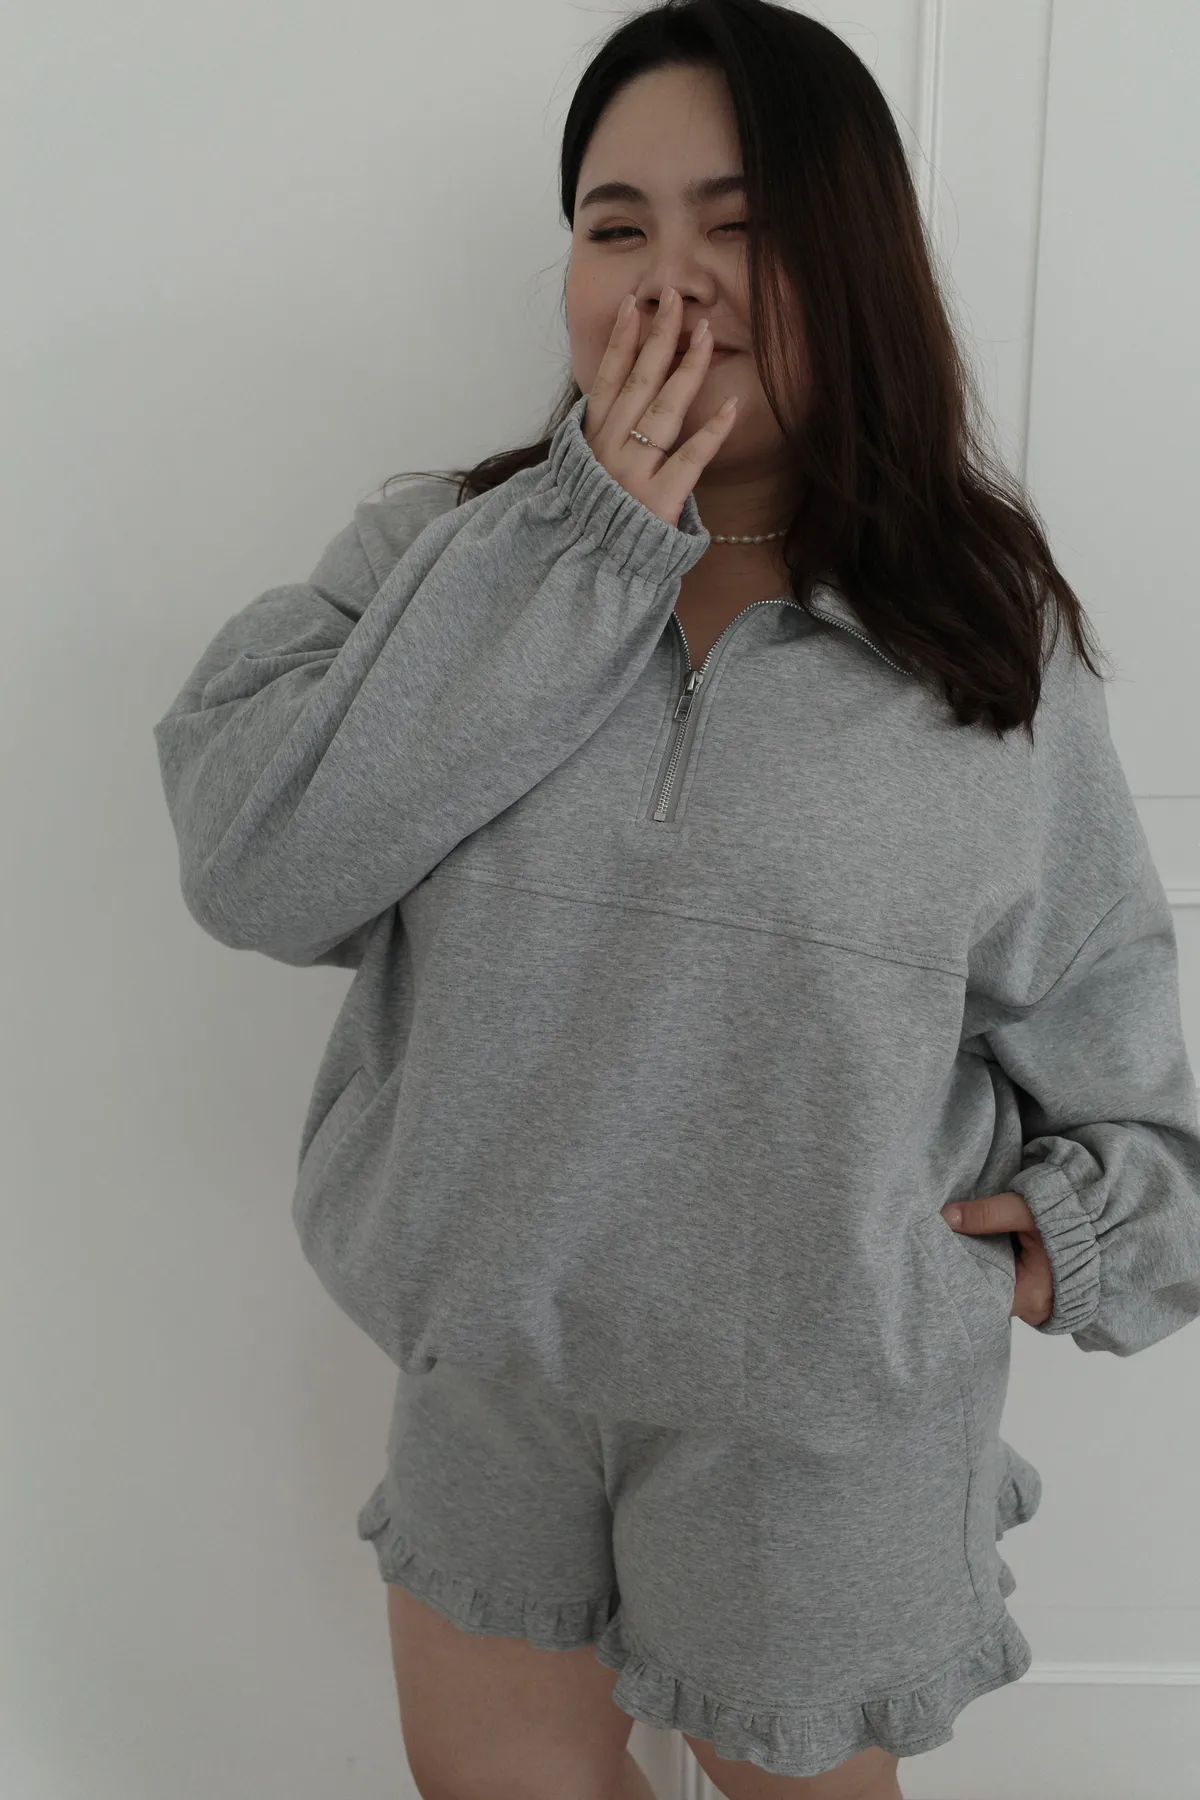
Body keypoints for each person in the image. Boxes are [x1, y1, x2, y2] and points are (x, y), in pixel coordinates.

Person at [151, 3, 1200, 1795]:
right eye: (615, 225)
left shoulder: (984, 639)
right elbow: (256, 866)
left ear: (851, 258)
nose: (670, 280)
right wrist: (576, 550)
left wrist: (1070, 1241)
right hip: (490, 1383)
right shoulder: (432, 561)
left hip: (824, 1421)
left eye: (740, 223)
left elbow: (1124, 1062)